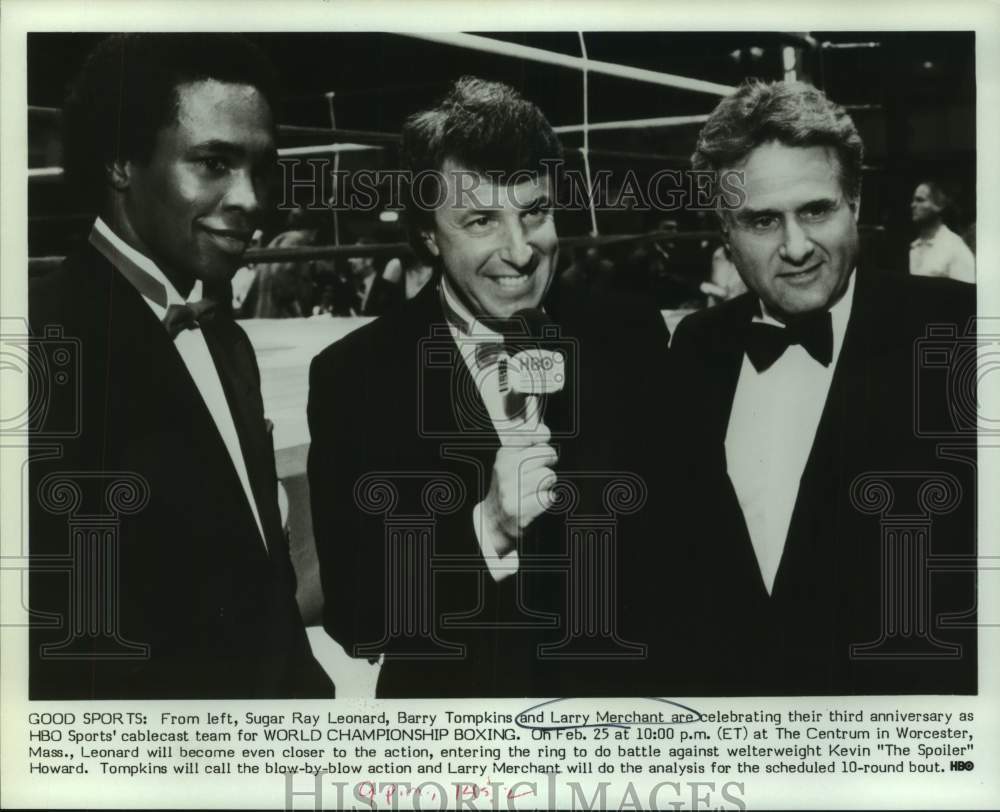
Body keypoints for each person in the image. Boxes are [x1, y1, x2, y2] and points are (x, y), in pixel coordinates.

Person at [307, 77, 670, 697]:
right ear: (427, 234)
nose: (520, 250)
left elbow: (680, 552)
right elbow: (357, 618)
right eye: (481, 221)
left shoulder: (628, 333)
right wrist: (489, 528)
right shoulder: (357, 375)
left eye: (535, 213)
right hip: (461, 738)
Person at [29, 34, 334, 699]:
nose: (251, 198)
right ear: (119, 162)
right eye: (214, 162)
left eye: (261, 167)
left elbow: (262, 577)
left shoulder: (226, 340)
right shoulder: (38, 348)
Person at [670, 80, 976, 695]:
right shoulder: (696, 347)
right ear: (726, 232)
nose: (797, 247)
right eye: (762, 221)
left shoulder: (961, 330)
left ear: (855, 203)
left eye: (817, 209)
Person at [909, 180, 976, 283]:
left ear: (938, 206)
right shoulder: (914, 248)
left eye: (920, 200)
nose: (913, 205)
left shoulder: (955, 248)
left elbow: (966, 294)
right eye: (913, 200)